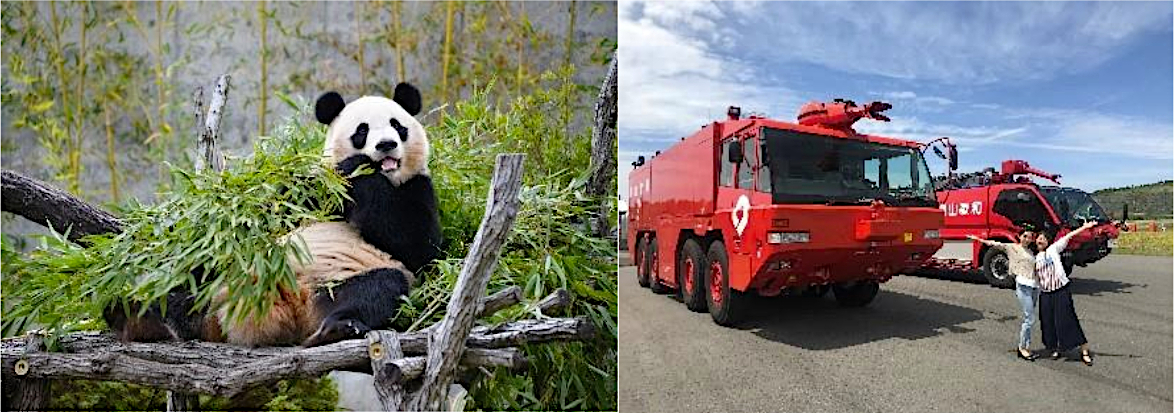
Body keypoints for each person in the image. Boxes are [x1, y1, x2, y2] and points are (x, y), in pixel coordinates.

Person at [967, 226, 1040, 361]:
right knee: (1029, 318)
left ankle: (1025, 346)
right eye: (1025, 236)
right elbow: (994, 244)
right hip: (1023, 286)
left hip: (1034, 286)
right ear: (1020, 237)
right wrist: (978, 239)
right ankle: (1022, 348)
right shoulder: (1012, 247)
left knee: (1029, 317)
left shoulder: (1031, 251)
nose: (1027, 239)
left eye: (1029, 237)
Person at [1035, 221, 1098, 366]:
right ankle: (1054, 348)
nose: (1040, 240)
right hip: (1045, 294)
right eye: (1039, 238)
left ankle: (1084, 349)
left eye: (1043, 238)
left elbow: (1069, 236)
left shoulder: (1053, 249)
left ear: (1048, 241)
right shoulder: (1035, 258)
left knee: (1067, 319)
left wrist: (1085, 227)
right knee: (1048, 322)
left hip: (1060, 291)